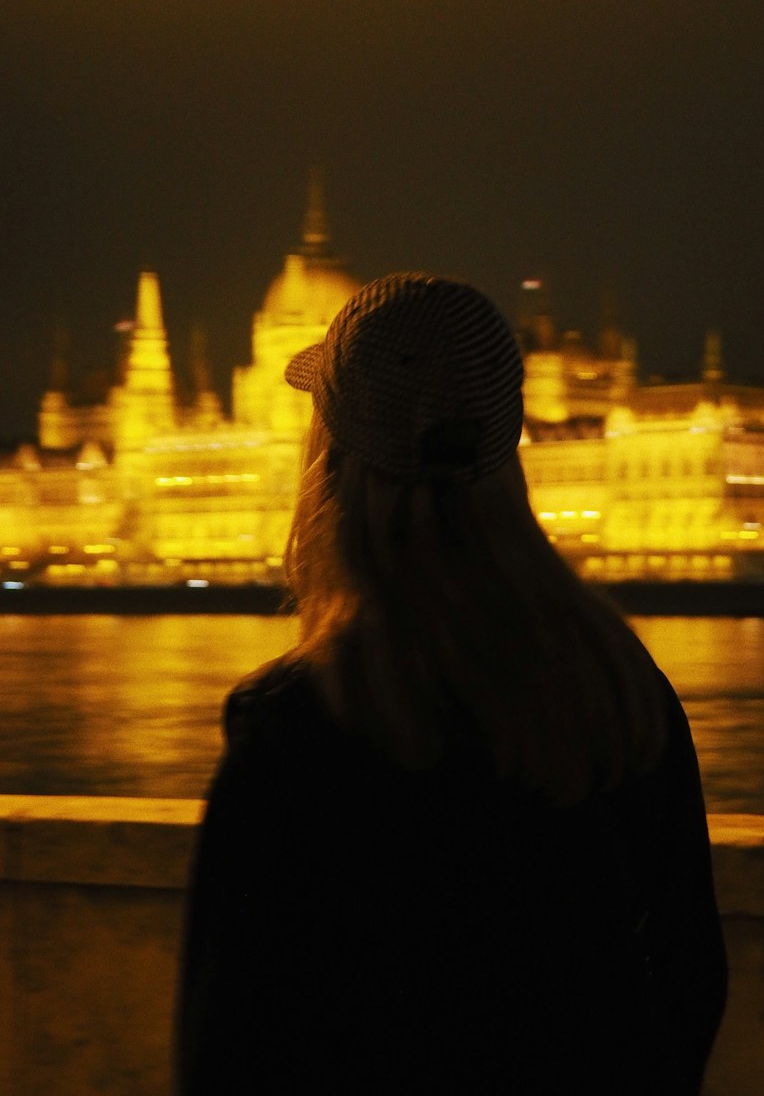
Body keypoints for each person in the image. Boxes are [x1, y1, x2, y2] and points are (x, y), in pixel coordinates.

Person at [175, 273, 726, 1094]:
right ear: (508, 449)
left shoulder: (294, 730)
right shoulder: (622, 691)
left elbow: (228, 1052)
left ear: (331, 455)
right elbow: (689, 982)